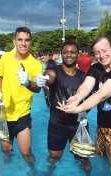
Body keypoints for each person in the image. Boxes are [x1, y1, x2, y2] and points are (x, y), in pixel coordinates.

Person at [58, 37, 111, 176]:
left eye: (104, 50)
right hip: (103, 126)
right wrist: (77, 98)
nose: (101, 55)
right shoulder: (96, 68)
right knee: (102, 161)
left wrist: (79, 109)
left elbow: (101, 94)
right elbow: (86, 85)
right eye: (97, 53)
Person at [0, 27, 48, 165]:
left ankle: (32, 171)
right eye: (20, 40)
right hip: (4, 112)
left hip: (22, 114)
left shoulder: (35, 64)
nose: (23, 43)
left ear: (30, 42)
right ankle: (7, 168)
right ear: (14, 41)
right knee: (6, 148)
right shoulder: (5, 57)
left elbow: (37, 88)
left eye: (27, 40)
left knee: (26, 152)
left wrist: (28, 83)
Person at [45, 40, 91, 172]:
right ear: (61, 54)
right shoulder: (55, 71)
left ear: (78, 54)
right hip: (57, 123)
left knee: (84, 159)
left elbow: (91, 100)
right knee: (54, 157)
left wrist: (82, 111)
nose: (69, 55)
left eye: (72, 52)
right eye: (65, 52)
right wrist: (44, 78)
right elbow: (50, 77)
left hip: (79, 124)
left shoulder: (84, 77)